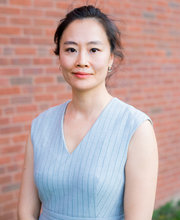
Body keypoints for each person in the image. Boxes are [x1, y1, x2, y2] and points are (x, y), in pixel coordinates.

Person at [17, 5, 158, 220]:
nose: (81, 60)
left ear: (111, 58)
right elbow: (25, 212)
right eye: (71, 49)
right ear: (59, 57)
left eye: (94, 50)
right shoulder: (40, 125)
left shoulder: (136, 128)